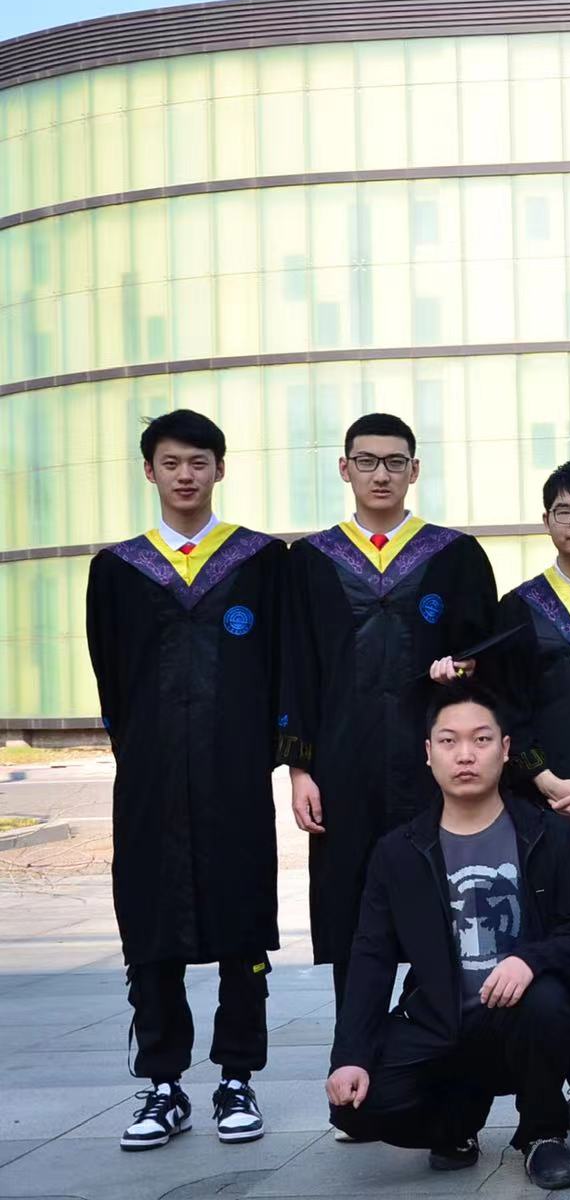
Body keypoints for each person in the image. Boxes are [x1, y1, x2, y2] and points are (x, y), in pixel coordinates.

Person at [86, 410, 285, 1152]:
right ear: (150, 471)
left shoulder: (262, 563)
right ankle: (163, 1083)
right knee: (150, 922)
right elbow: (112, 679)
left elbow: (279, 667)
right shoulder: (118, 570)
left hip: (235, 773)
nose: (185, 475)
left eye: (199, 462)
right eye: (171, 463)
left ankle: (237, 1077)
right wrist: (143, 750)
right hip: (150, 776)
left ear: (220, 469)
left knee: (242, 919)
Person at [437, 461, 570, 1121]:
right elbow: (501, 705)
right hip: (541, 803)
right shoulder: (520, 607)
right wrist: (544, 778)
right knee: (555, 928)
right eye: (566, 511)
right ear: (546, 520)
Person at [325, 683, 570, 1190]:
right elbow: (370, 957)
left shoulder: (550, 835)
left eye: (481, 739)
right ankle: (457, 1123)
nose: (466, 755)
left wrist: (532, 960)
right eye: (449, 741)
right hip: (440, 1023)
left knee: (546, 1004)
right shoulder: (399, 852)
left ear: (505, 748)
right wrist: (350, 1056)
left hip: (522, 1020)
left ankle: (542, 1133)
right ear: (429, 753)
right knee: (354, 1107)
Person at [279, 413, 498, 1016]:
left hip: (432, 762)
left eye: (395, 462)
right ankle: (356, 1042)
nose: (381, 474)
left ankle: (436, 1034)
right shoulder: (309, 561)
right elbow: (295, 668)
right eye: (367, 462)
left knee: (440, 901)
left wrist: (464, 672)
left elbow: (486, 659)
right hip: (341, 763)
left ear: (414, 470)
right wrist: (300, 768)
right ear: (344, 468)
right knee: (350, 907)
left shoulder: (455, 556)